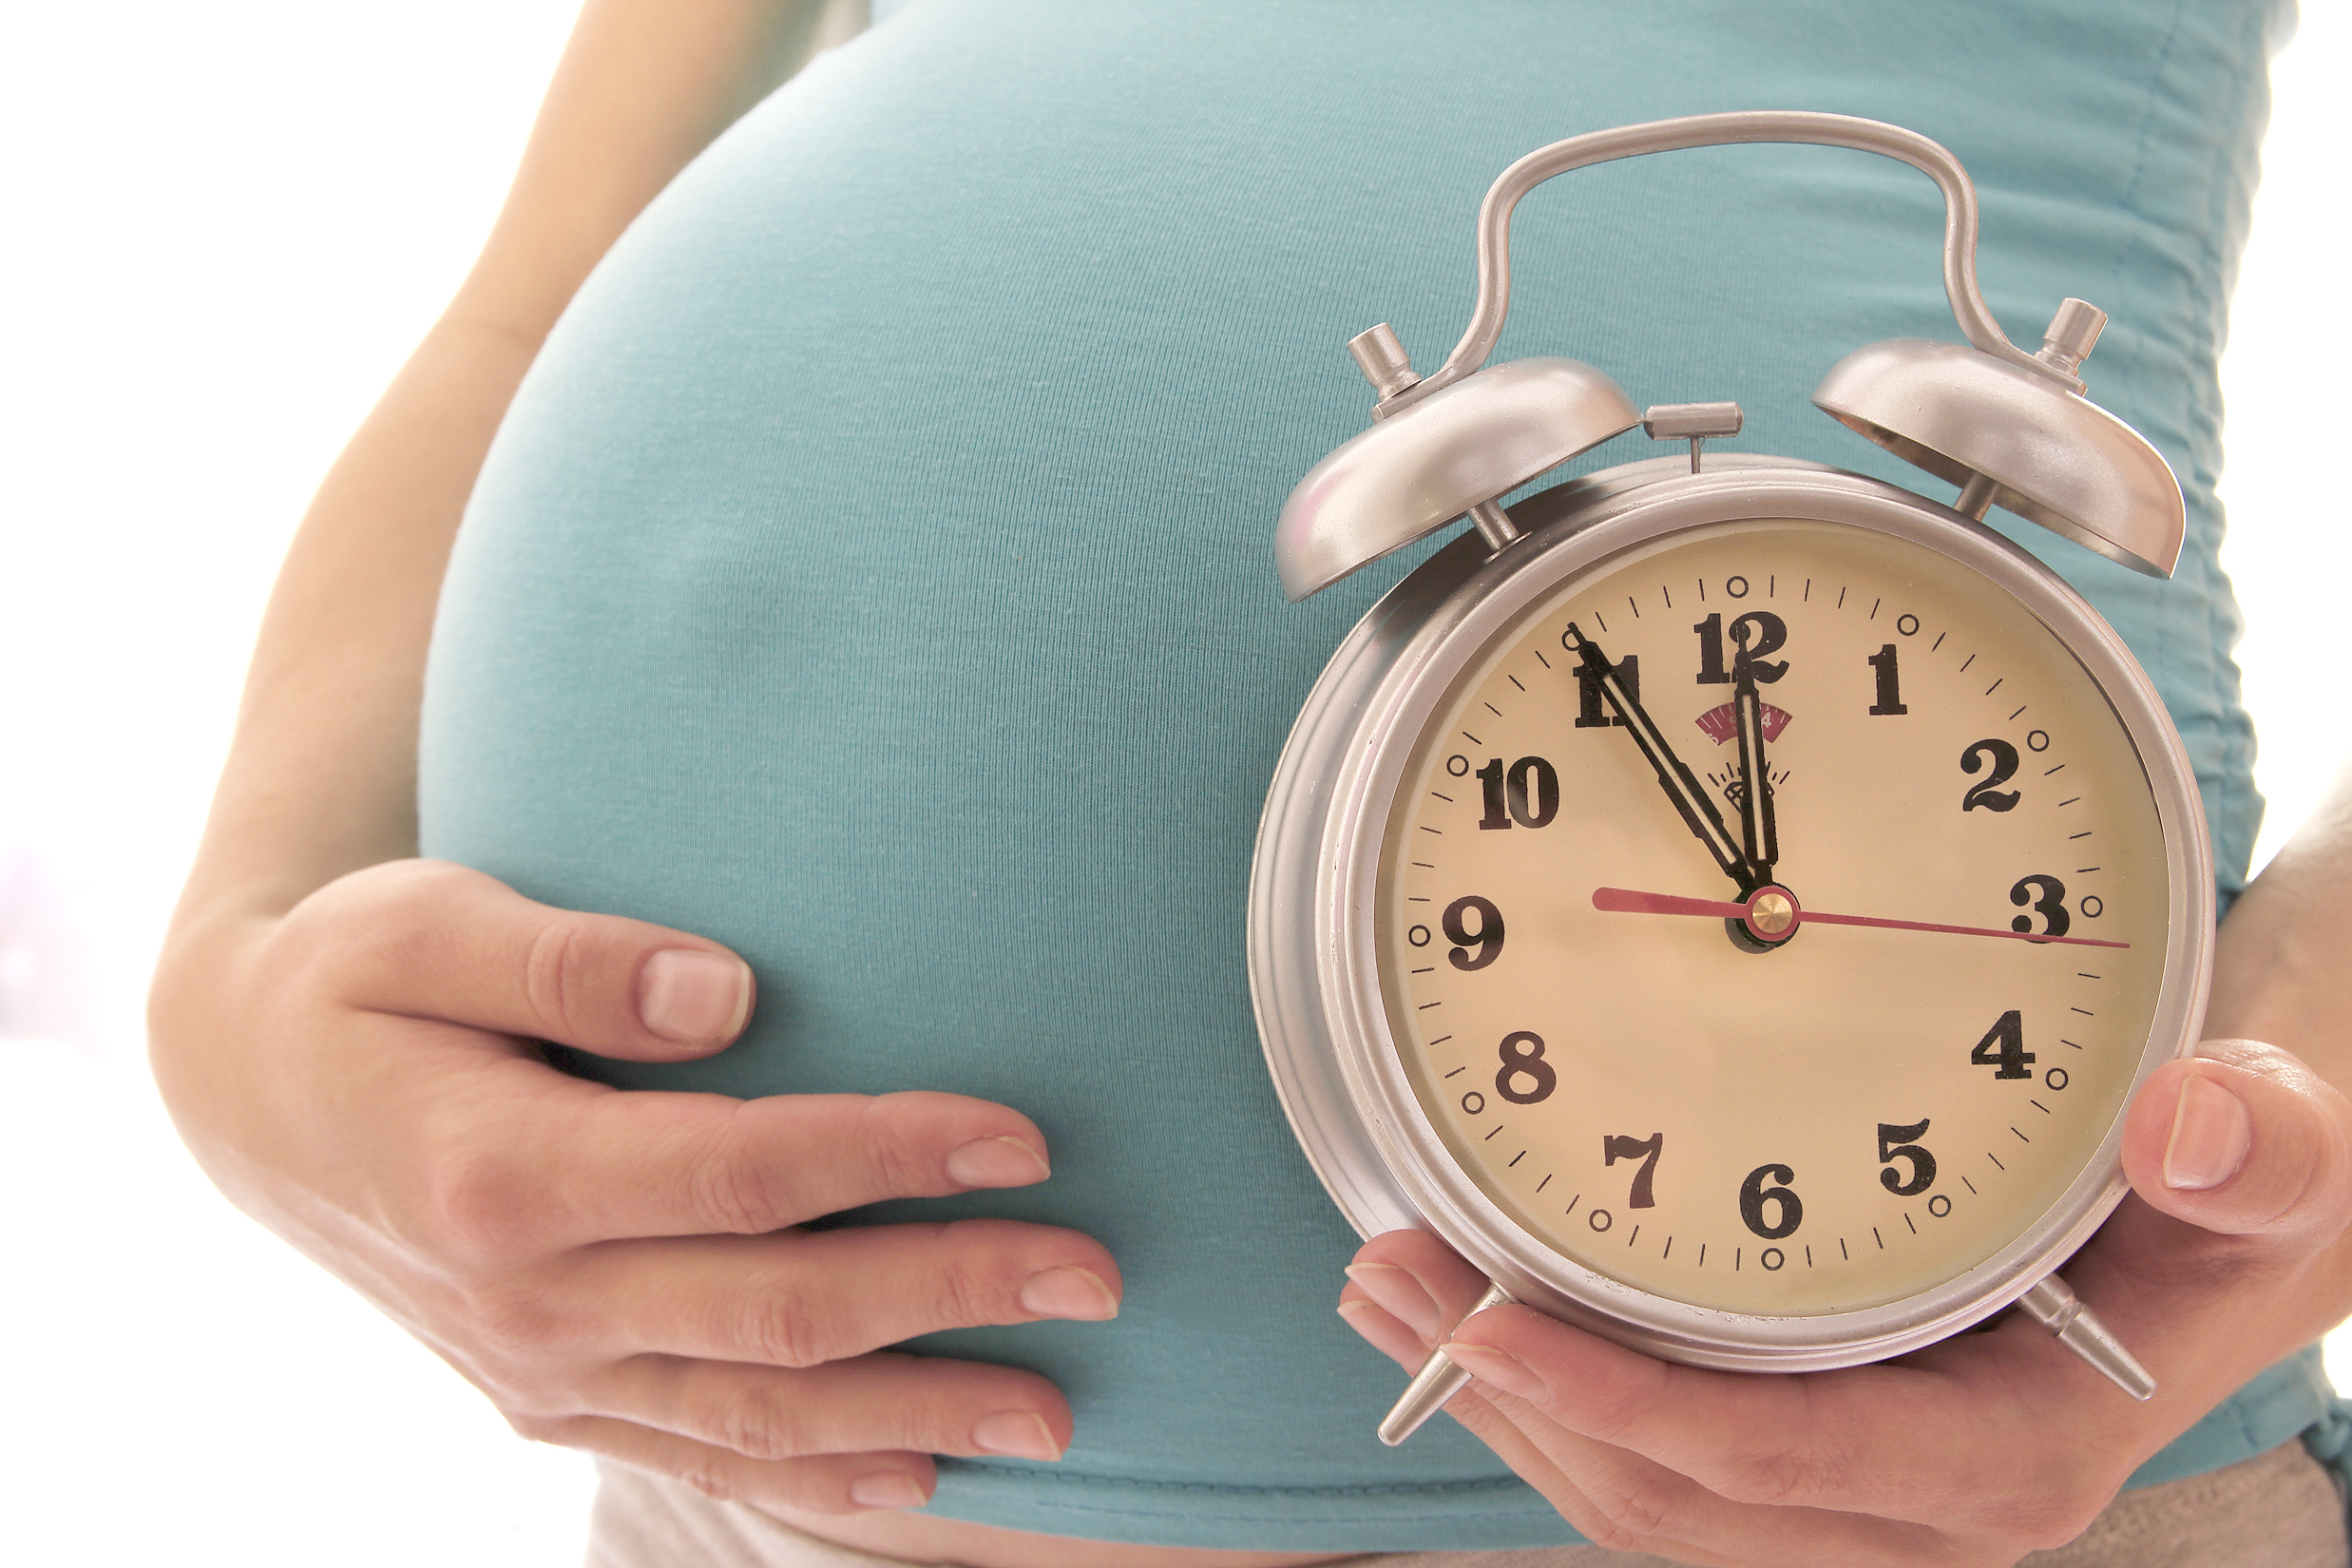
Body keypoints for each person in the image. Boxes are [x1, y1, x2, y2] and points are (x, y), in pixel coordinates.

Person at [149, 1, 2351, 1564]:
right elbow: (533, 306)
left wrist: (2286, 1204)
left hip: (1878, 1500)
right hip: (761, 1488)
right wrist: (233, 969)